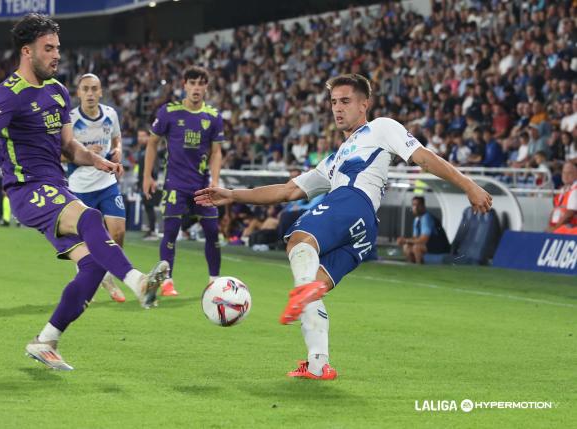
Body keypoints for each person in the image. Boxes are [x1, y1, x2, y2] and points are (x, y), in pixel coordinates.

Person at [195, 74, 492, 380]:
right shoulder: (335, 160)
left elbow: (425, 160)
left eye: (345, 101)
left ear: (365, 104)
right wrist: (232, 195)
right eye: (334, 102)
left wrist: (468, 184)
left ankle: (311, 318)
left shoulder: (381, 128)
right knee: (308, 287)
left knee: (298, 240)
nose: (337, 108)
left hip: (352, 203)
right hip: (364, 234)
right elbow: (286, 191)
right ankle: (318, 364)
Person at [0, 13, 168, 371]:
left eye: (58, 48)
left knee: (92, 267)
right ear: (27, 51)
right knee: (91, 217)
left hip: (55, 187)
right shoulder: (8, 93)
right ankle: (138, 282)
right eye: (49, 49)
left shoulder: (58, 92)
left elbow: (69, 147)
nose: (56, 55)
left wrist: (96, 160)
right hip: (28, 190)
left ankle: (46, 340)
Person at [143, 66, 224, 297]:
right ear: (184, 85)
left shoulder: (213, 117)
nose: (196, 88)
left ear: (206, 87)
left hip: (202, 185)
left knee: (212, 231)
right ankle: (167, 281)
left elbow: (217, 152)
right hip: (175, 184)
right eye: (192, 83)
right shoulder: (169, 112)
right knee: (170, 231)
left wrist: (215, 182)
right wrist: (148, 176)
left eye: (201, 83)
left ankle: (214, 281)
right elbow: (152, 143)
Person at [67, 73, 126, 303]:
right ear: (79, 92)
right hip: (80, 185)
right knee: (84, 241)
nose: (90, 93)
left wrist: (118, 149)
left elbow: (117, 137)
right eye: (86, 89)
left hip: (106, 181)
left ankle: (107, 276)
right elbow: (64, 150)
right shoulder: (70, 119)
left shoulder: (110, 114)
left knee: (118, 232)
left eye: (94, 89)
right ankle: (86, 281)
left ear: (101, 92)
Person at [396, 196, 450, 263]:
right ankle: (411, 266)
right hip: (429, 245)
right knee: (406, 247)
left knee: (416, 247)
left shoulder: (427, 218)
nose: (415, 207)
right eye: (413, 205)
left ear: (423, 206)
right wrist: (405, 241)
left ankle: (419, 268)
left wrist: (405, 240)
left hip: (440, 246)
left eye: (417, 205)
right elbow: (415, 238)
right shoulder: (417, 219)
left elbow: (423, 240)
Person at [547, 162, 577, 234]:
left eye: (569, 173)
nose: (565, 176)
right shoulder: (563, 190)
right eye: (564, 173)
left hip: (569, 228)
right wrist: (550, 226)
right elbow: (556, 209)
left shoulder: (575, 190)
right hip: (558, 227)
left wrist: (555, 228)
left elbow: (569, 214)